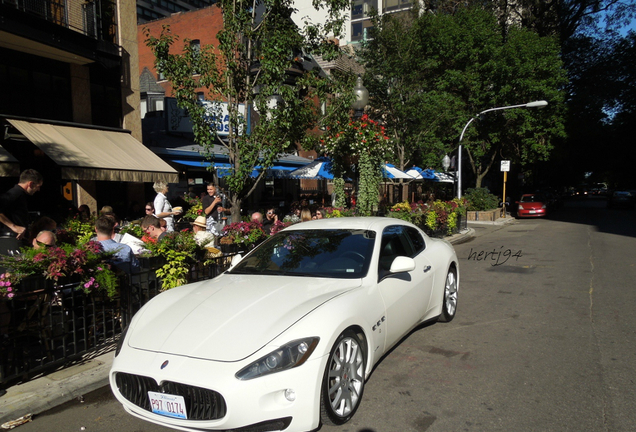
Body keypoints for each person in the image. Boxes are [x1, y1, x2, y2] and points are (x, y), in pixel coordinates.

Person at [0, 169, 43, 254]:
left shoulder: (19, 194)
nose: (38, 190)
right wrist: (14, 226)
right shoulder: (15, 193)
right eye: (38, 186)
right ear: (30, 184)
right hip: (11, 242)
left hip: (15, 241)